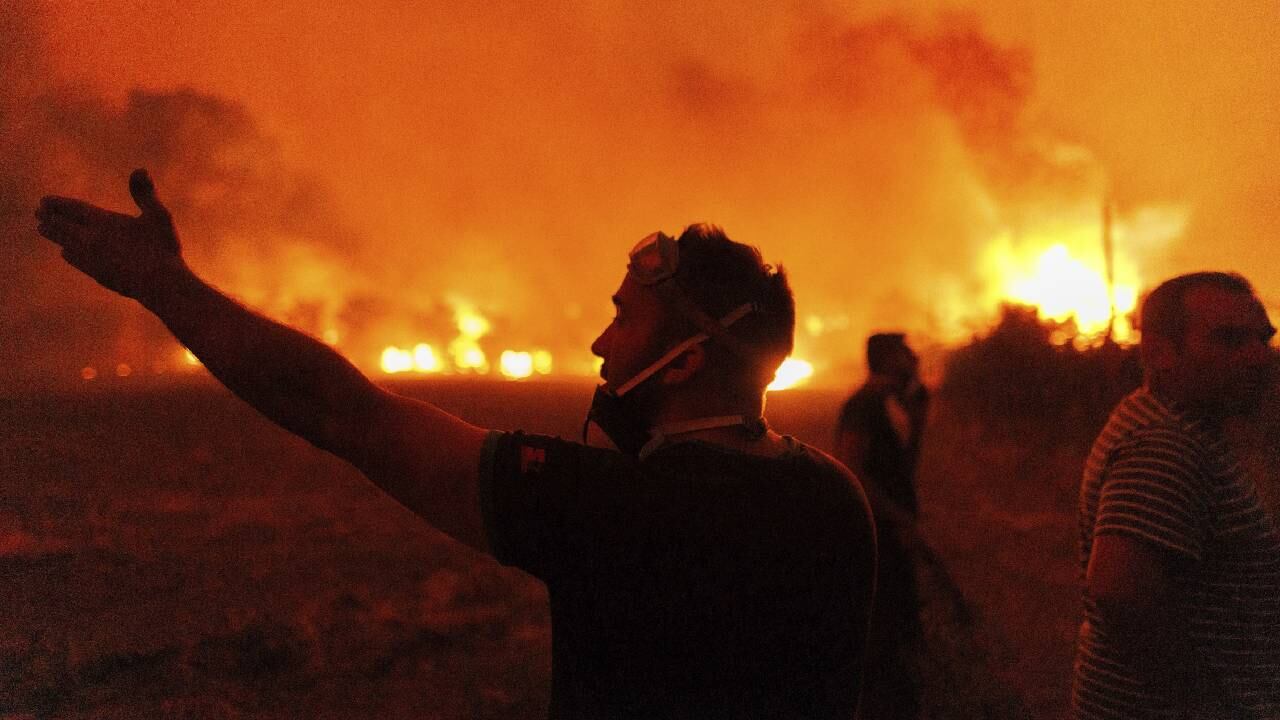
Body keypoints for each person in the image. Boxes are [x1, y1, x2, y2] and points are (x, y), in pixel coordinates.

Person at [35, 170, 877, 719]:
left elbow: (342, 413)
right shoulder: (836, 499)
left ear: (686, 360)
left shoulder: (612, 509)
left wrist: (163, 285)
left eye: (624, 318)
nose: (598, 344)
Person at [1072, 272, 1280, 719]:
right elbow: (1121, 592)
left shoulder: (1174, 424)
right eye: (1229, 340)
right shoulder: (1164, 444)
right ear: (1160, 352)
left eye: (1263, 338)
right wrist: (1206, 705)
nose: (1258, 357)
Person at [835, 332, 929, 719]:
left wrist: (921, 419)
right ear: (889, 357)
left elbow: (903, 470)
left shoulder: (889, 405)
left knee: (901, 632)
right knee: (882, 641)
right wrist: (898, 516)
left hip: (893, 535)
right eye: (906, 352)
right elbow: (852, 471)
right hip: (876, 538)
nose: (914, 358)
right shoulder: (864, 406)